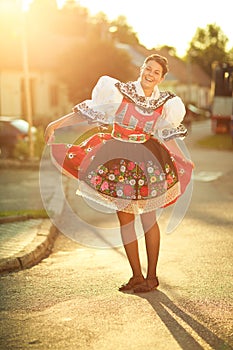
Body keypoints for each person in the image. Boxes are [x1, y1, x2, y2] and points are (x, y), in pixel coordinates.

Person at [44, 54, 194, 293]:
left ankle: (151, 277)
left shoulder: (167, 104)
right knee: (125, 219)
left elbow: (166, 135)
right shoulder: (117, 91)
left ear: (162, 78)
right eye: (148, 68)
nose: (150, 74)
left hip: (148, 161)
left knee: (148, 220)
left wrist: (184, 159)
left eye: (156, 72)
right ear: (142, 69)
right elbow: (88, 113)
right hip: (118, 159)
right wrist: (56, 124)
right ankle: (136, 275)